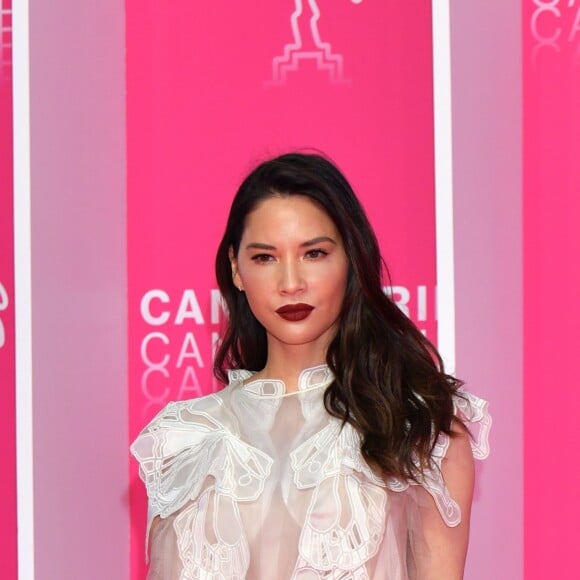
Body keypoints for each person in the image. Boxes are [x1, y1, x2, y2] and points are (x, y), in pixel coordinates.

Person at [131, 152, 491, 579]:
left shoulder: (419, 431)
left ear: (351, 259)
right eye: (265, 257)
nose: (290, 283)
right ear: (236, 268)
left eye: (314, 253)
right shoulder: (181, 440)